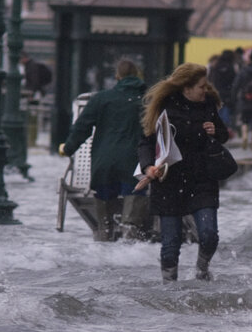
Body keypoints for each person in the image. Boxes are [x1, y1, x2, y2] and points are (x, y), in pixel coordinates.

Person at [138, 63, 231, 282]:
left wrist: (216, 131)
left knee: (209, 235)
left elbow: (223, 135)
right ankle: (170, 295)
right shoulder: (163, 108)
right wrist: (148, 167)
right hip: (169, 182)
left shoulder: (208, 105)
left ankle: (202, 269)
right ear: (186, 88)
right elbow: (145, 143)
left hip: (202, 180)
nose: (205, 90)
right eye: (201, 86)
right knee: (170, 246)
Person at [59, 59, 147, 241]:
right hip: (135, 162)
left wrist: (68, 148)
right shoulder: (147, 101)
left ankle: (105, 239)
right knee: (132, 208)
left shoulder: (101, 99)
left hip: (104, 163)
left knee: (105, 223)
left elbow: (82, 127)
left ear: (117, 76)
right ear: (138, 76)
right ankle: (130, 238)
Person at [207, 49, 238, 128]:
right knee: (226, 108)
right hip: (228, 92)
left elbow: (212, 78)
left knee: (218, 108)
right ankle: (225, 125)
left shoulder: (217, 66)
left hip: (217, 91)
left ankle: (218, 125)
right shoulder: (230, 67)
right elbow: (234, 80)